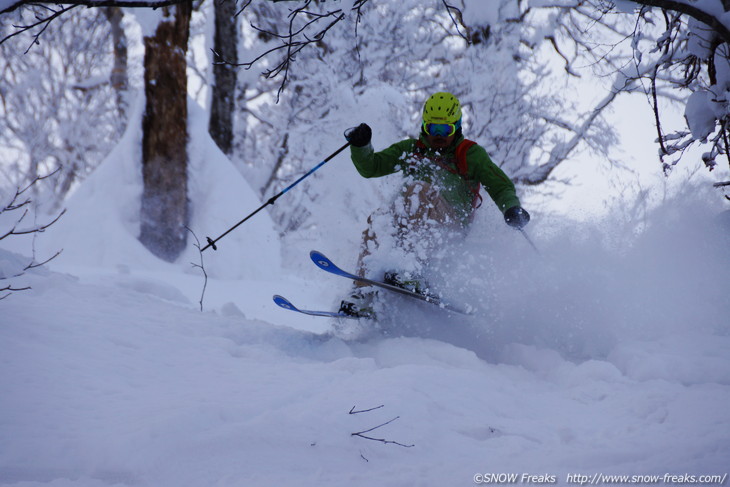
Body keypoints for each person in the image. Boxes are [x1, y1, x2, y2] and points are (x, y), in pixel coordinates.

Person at [340, 91, 530, 317]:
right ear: (424, 126)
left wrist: (511, 207)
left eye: (445, 130)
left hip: (449, 227)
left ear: (456, 127)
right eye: (433, 129)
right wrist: (362, 146)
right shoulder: (412, 150)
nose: (438, 136)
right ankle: (363, 292)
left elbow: (500, 185)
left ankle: (410, 269)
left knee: (420, 190)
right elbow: (372, 167)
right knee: (380, 219)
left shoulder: (469, 154)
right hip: (411, 225)